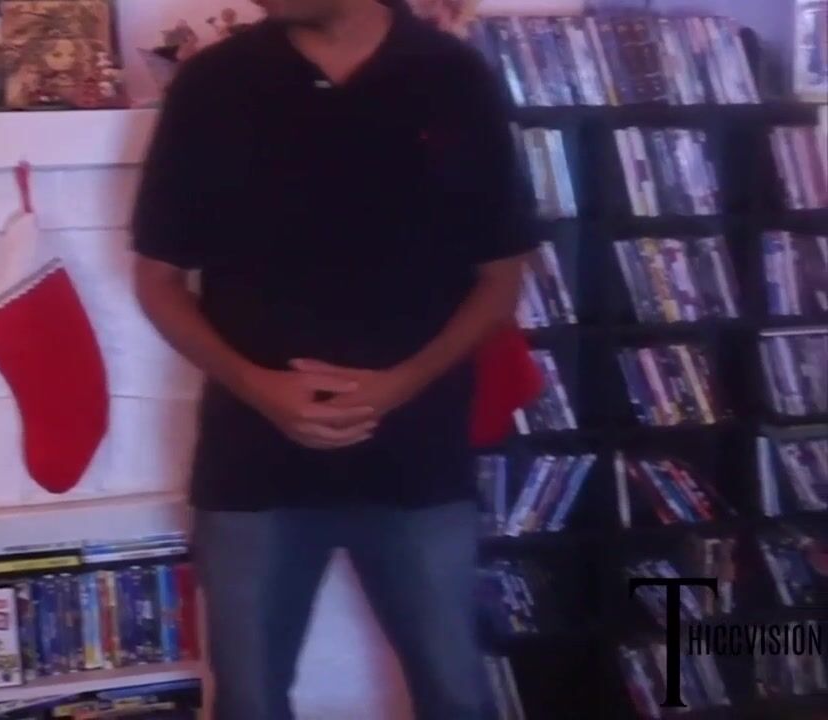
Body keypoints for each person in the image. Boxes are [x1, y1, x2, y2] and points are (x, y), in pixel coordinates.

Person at [130, 0, 536, 718]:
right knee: (248, 702)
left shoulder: (453, 76)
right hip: (253, 464)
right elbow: (158, 280)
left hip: (419, 459)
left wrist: (399, 386)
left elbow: (501, 276)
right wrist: (259, 388)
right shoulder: (212, 84)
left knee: (455, 695)